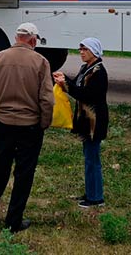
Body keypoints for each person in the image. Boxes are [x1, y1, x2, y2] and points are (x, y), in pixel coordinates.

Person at [0, 22, 54, 233]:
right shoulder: (41, 62)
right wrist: (44, 122)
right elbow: (47, 98)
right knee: (24, 173)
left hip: (3, 124)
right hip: (30, 126)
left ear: (16, 37)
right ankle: (13, 220)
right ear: (33, 40)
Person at [53, 37, 108, 208]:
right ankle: (91, 192)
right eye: (80, 49)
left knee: (92, 159)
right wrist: (65, 79)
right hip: (85, 121)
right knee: (88, 158)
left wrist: (66, 86)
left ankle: (96, 198)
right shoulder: (86, 68)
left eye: (85, 49)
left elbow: (86, 95)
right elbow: (77, 86)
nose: (81, 52)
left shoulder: (98, 72)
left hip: (94, 122)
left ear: (94, 52)